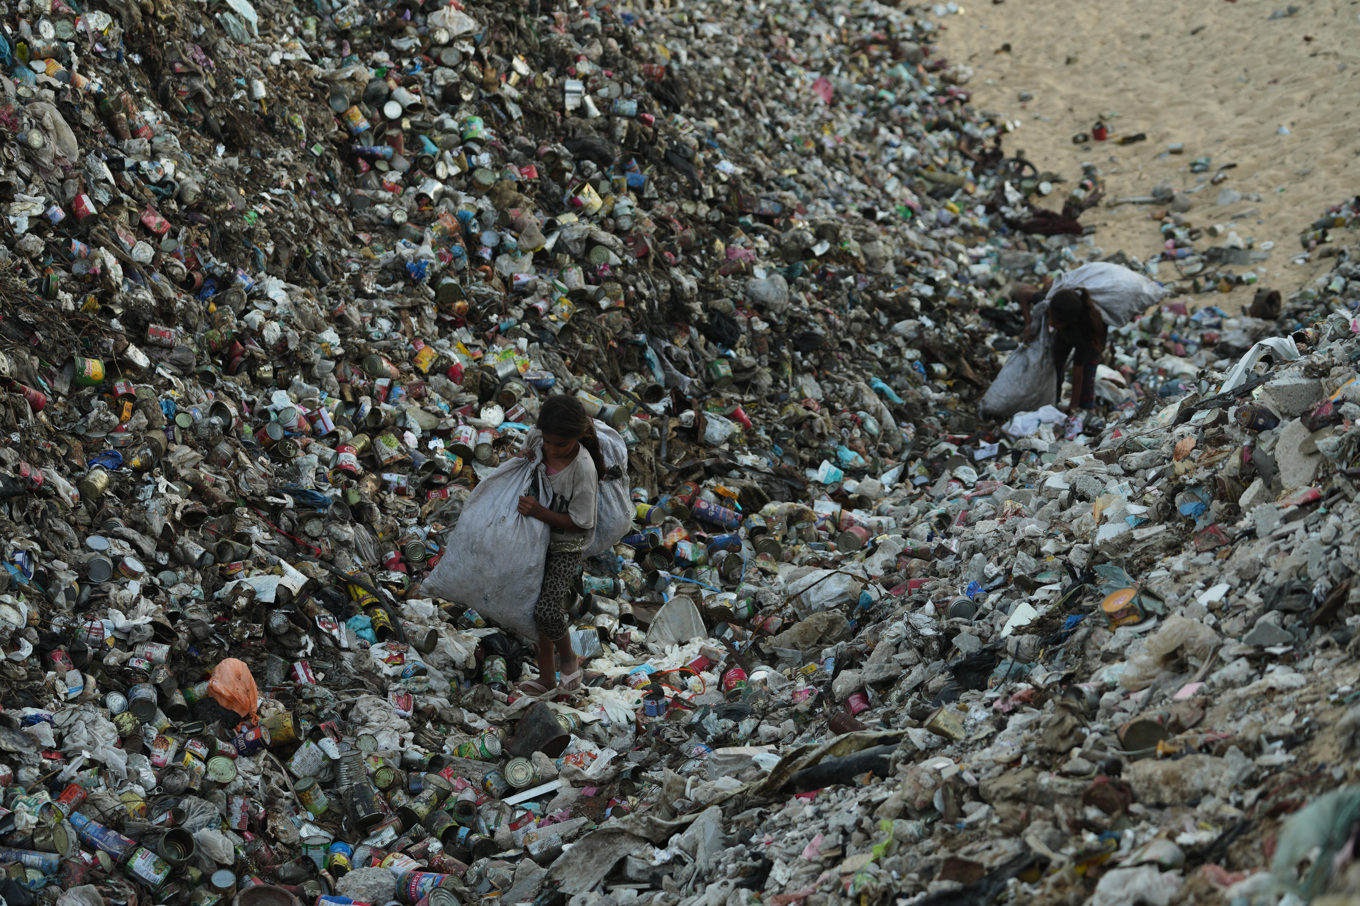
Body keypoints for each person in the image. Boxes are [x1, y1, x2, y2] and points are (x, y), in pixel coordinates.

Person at [514, 395, 602, 698]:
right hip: (537, 540)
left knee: (549, 609)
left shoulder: (584, 470)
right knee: (536, 613)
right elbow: (532, 452)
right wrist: (527, 455)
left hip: (566, 545)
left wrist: (539, 511)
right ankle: (547, 679)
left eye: (560, 445)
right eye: (548, 443)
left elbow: (581, 522)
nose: (551, 449)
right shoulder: (541, 439)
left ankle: (567, 658)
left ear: (578, 437)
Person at [1047, 287, 1108, 412]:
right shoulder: (1060, 309)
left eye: (1055, 321)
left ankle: (1086, 408)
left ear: (1069, 322)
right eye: (1051, 317)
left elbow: (1077, 373)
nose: (1051, 323)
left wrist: (1073, 406)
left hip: (1093, 344)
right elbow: (1023, 293)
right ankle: (1054, 400)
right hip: (1065, 334)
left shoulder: (1085, 334)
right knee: (1055, 365)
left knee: (1086, 379)